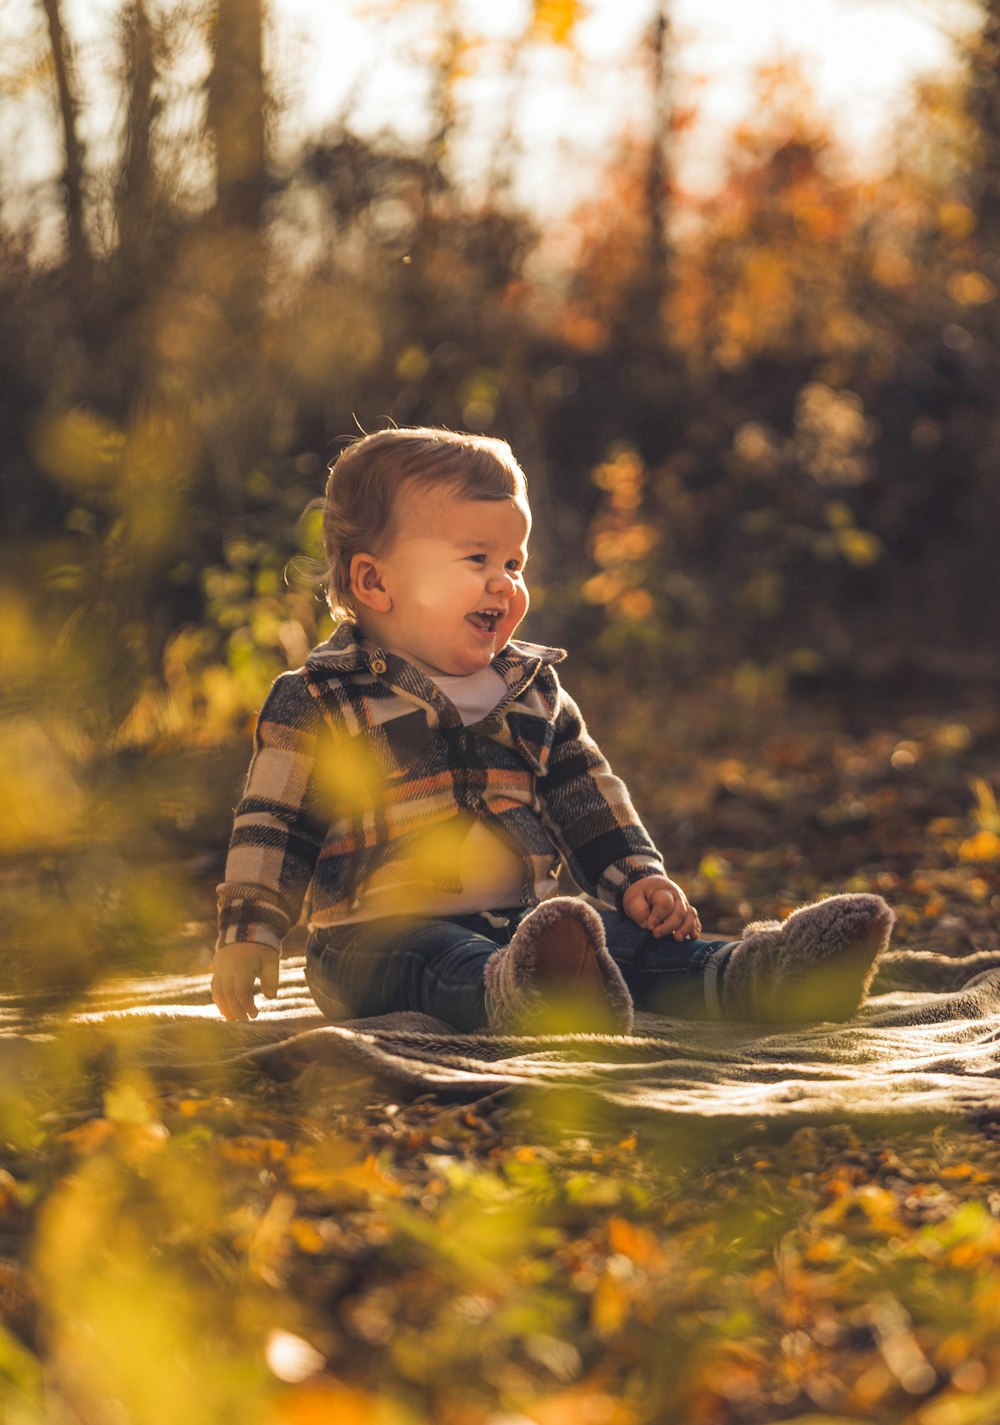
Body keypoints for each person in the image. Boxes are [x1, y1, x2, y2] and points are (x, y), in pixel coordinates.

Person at [212, 427, 893, 1032]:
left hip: (521, 923)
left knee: (624, 946)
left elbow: (586, 795)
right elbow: (274, 824)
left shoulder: (532, 688)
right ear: (374, 581)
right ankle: (522, 997)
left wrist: (636, 878)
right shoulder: (321, 698)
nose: (504, 583)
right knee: (437, 959)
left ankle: (757, 977)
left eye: (514, 563)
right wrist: (251, 934)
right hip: (372, 939)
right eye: (476, 559)